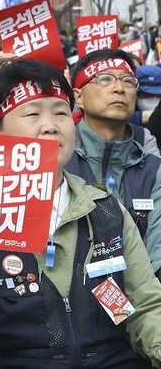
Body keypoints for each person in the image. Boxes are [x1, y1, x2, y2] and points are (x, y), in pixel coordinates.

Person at [0, 58, 161, 368]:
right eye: (32, 113)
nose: (50, 125)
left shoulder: (105, 210)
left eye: (61, 112)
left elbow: (143, 308)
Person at [67, 49, 161, 276]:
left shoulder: (153, 169)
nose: (120, 88)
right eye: (105, 79)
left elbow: (156, 256)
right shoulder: (58, 162)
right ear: (78, 96)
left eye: (128, 81)